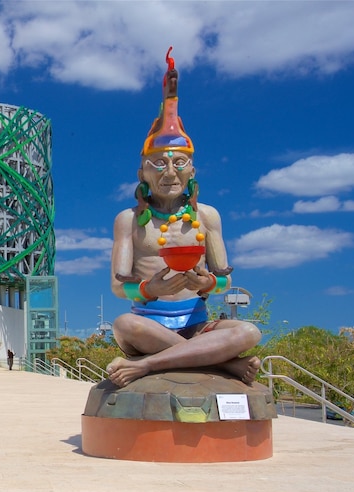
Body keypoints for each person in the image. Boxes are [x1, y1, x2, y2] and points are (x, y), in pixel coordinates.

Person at [107, 48, 261, 388]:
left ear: (192, 170)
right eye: (158, 163)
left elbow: (224, 282)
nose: (169, 172)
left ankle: (149, 366)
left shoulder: (207, 216)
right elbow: (119, 286)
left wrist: (205, 283)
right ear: (142, 172)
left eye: (178, 163)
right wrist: (150, 288)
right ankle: (223, 365)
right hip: (149, 323)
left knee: (248, 331)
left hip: (198, 322)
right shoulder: (129, 220)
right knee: (123, 325)